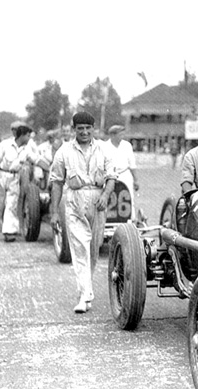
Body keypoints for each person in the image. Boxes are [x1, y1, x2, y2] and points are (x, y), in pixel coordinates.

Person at [49, 112, 116, 313]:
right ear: (74, 129)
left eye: (88, 128)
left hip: (97, 201)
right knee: (79, 249)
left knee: (94, 249)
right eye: (80, 128)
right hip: (75, 200)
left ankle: (86, 292)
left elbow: (112, 177)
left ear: (93, 129)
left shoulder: (104, 149)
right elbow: (56, 183)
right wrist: (54, 212)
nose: (84, 132)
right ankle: (84, 295)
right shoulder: (64, 151)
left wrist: (105, 195)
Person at [0, 124, 32, 241]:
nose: (29, 138)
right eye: (28, 136)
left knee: (11, 204)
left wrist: (51, 167)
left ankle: (8, 232)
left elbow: (36, 160)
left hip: (15, 177)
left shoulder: (26, 149)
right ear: (21, 135)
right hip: (2, 175)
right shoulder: (4, 145)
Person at [106, 125, 139, 204]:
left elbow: (132, 164)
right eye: (120, 135)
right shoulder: (104, 146)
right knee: (110, 200)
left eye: (123, 134)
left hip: (125, 175)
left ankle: (131, 216)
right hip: (109, 177)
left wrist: (136, 180)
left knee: (128, 199)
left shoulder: (127, 145)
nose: (122, 137)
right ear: (112, 135)